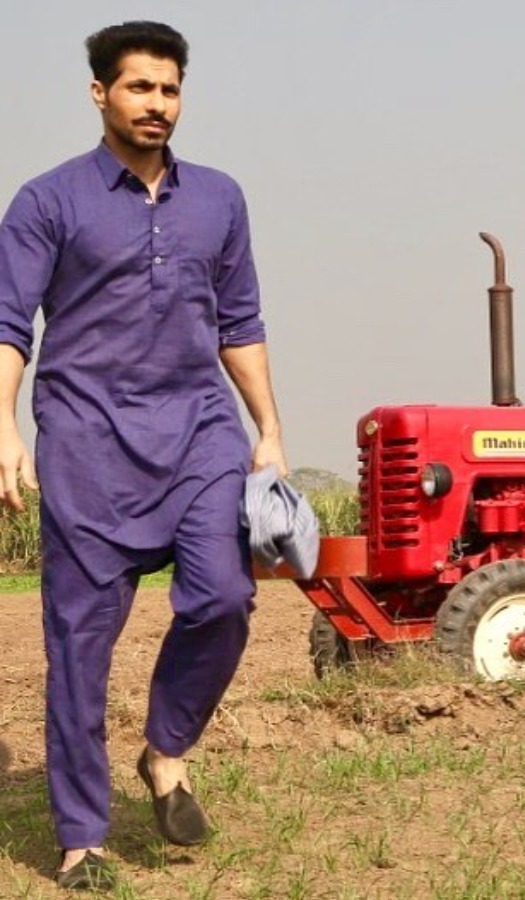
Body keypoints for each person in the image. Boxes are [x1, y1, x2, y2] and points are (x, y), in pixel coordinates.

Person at [0, 21, 287, 891]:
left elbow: (239, 321)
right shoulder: (47, 202)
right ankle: (83, 837)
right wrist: (3, 428)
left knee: (225, 597)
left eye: (169, 90)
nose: (157, 105)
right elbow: (11, 324)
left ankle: (166, 749)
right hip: (87, 442)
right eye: (139, 88)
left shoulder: (220, 198)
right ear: (100, 94)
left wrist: (268, 429)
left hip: (200, 431)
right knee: (79, 647)